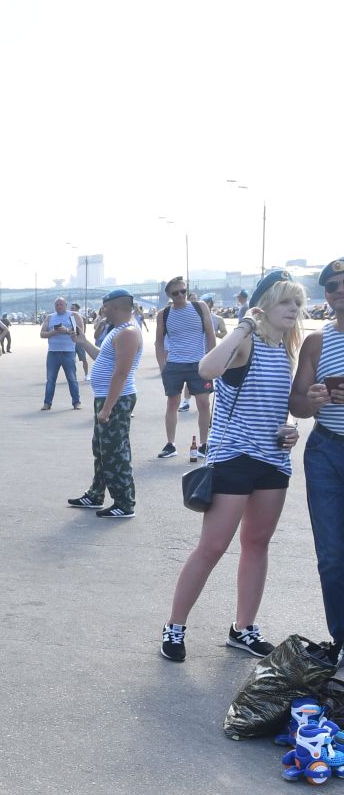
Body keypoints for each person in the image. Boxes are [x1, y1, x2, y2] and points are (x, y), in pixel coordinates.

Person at [160, 272, 305, 662]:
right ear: (264, 306)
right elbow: (206, 371)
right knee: (212, 546)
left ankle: (244, 628)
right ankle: (174, 626)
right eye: (284, 301)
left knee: (256, 544)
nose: (293, 309)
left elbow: (280, 407)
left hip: (273, 460)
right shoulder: (246, 342)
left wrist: (290, 429)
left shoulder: (285, 350)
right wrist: (244, 324)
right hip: (234, 457)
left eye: (297, 302)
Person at [290, 258, 344, 666]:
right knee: (331, 555)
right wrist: (311, 400)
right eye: (331, 286)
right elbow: (297, 403)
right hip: (325, 451)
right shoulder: (317, 342)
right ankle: (342, 639)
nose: (339, 290)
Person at [67, 289, 144, 519]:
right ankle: (95, 494)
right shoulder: (118, 331)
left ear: (117, 307)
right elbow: (104, 358)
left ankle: (124, 503)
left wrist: (108, 407)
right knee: (101, 450)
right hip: (107, 396)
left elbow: (121, 372)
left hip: (117, 398)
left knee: (115, 452)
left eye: (105, 307)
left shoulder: (128, 332)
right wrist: (83, 342)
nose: (103, 312)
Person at [155, 278, 216, 459]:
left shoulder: (200, 307)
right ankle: (170, 444)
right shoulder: (163, 314)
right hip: (174, 364)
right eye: (176, 293)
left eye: (183, 291)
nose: (181, 295)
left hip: (199, 363)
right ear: (169, 295)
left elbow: (210, 335)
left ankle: (204, 445)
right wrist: (162, 366)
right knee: (172, 403)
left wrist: (212, 360)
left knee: (204, 404)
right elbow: (158, 342)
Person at [40, 296, 82, 409]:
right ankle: (47, 403)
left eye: (61, 304)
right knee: (50, 379)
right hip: (53, 352)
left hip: (68, 351)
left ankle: (76, 402)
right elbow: (42, 334)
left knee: (72, 378)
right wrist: (53, 332)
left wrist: (66, 331)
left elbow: (79, 332)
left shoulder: (72, 316)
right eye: (57, 305)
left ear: (66, 305)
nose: (59, 307)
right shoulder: (50, 317)